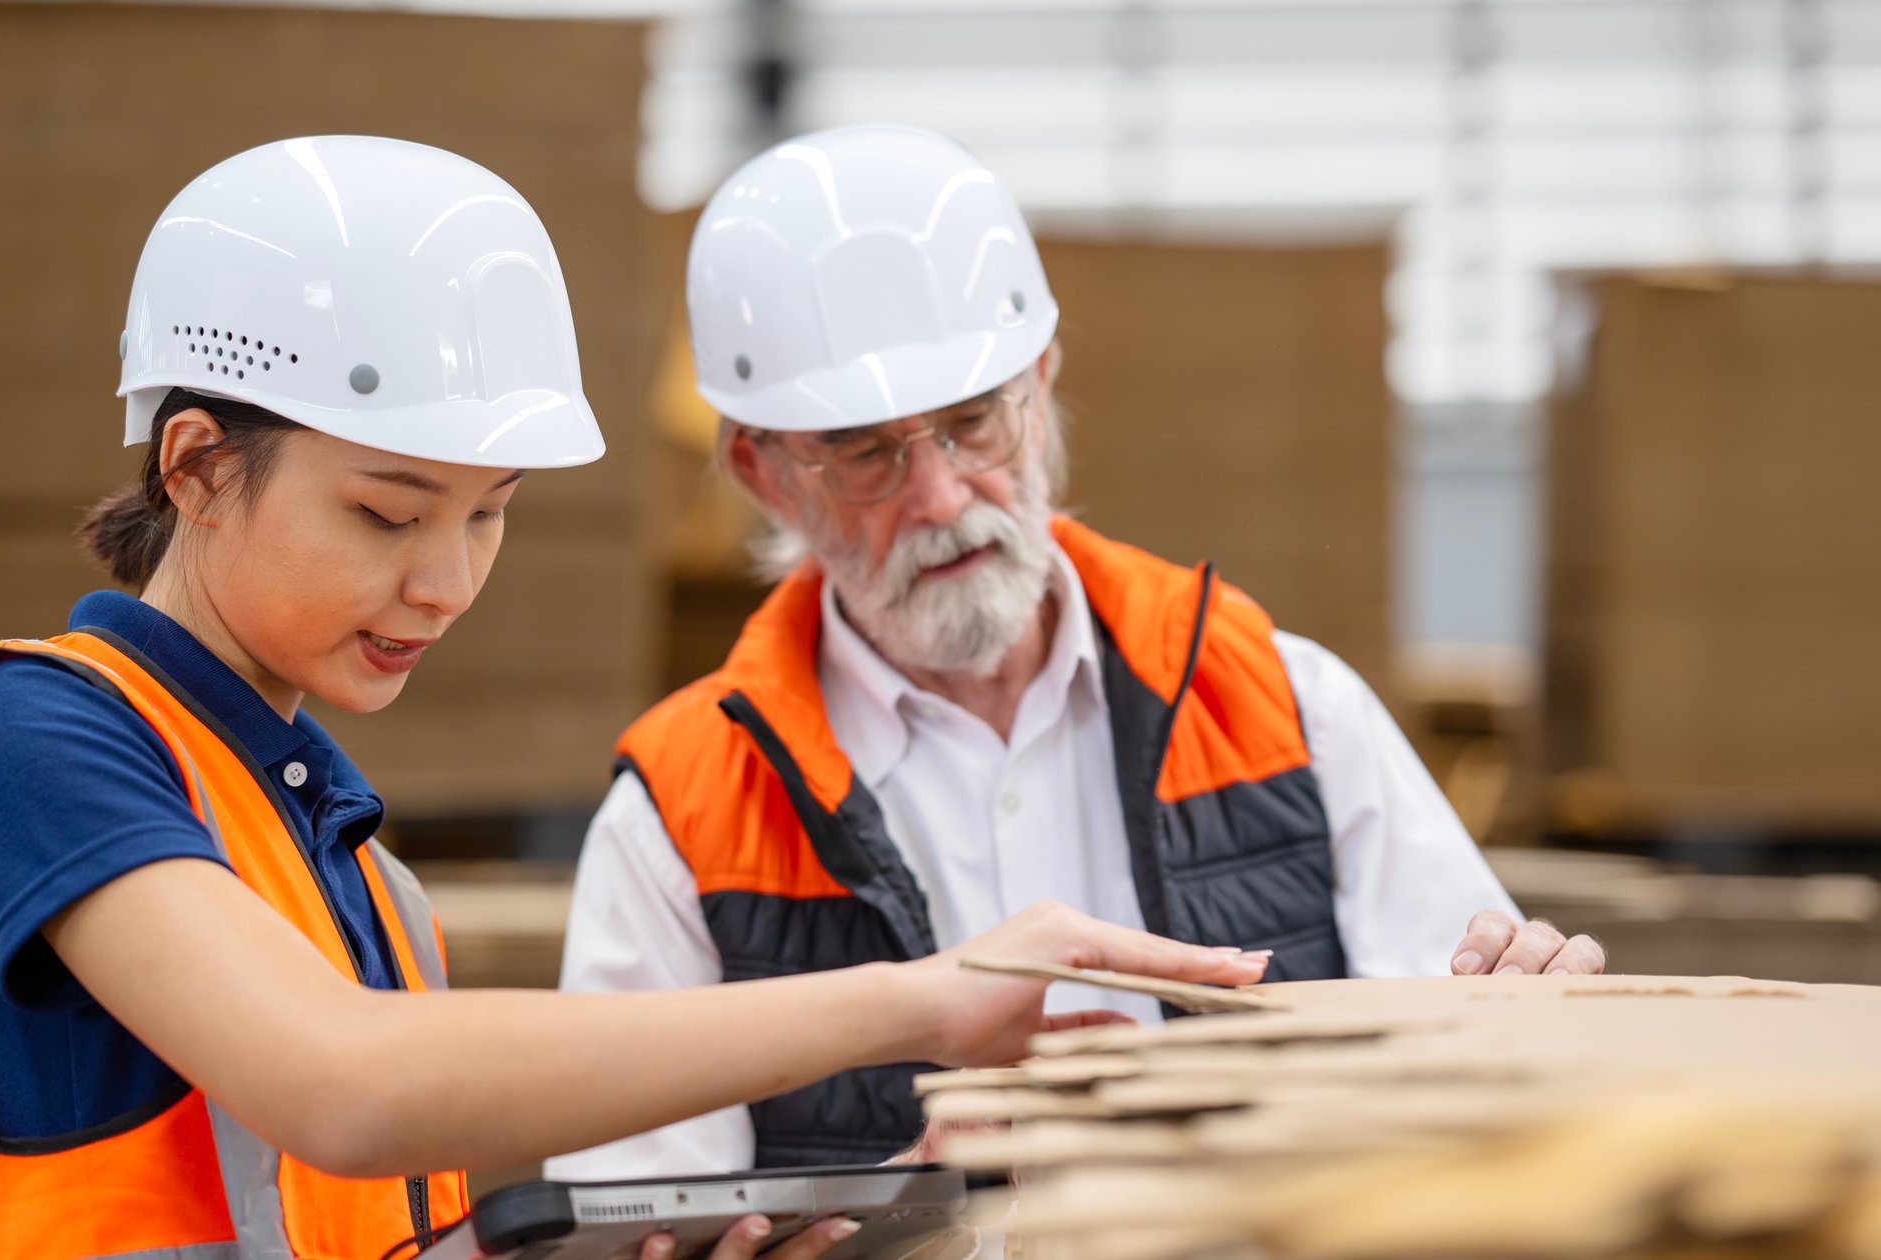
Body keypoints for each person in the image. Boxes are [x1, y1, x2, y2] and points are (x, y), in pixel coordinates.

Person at [0, 136, 1263, 1260]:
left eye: (488, 516)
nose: (447, 585)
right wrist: (921, 1003)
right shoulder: (31, 735)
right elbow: (345, 1089)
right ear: (195, 467)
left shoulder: (351, 872)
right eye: (388, 513)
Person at [547, 124, 1606, 1180]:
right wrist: (914, 1195)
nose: (940, 496)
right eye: (865, 453)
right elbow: (637, 1224)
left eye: (970, 423)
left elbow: (1482, 1086)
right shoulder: (678, 821)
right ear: (763, 471)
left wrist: (1524, 1015)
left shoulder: (1289, 706)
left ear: (1039, 387)